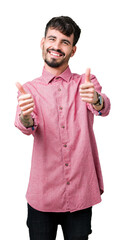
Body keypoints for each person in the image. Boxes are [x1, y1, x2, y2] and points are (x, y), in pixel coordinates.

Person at [15, 16, 111, 240]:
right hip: (42, 196)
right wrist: (26, 116)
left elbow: (103, 107)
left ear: (73, 50)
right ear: (43, 43)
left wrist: (96, 99)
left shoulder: (85, 83)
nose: (56, 46)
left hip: (80, 194)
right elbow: (26, 125)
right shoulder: (29, 90)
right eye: (52, 39)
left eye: (65, 42)